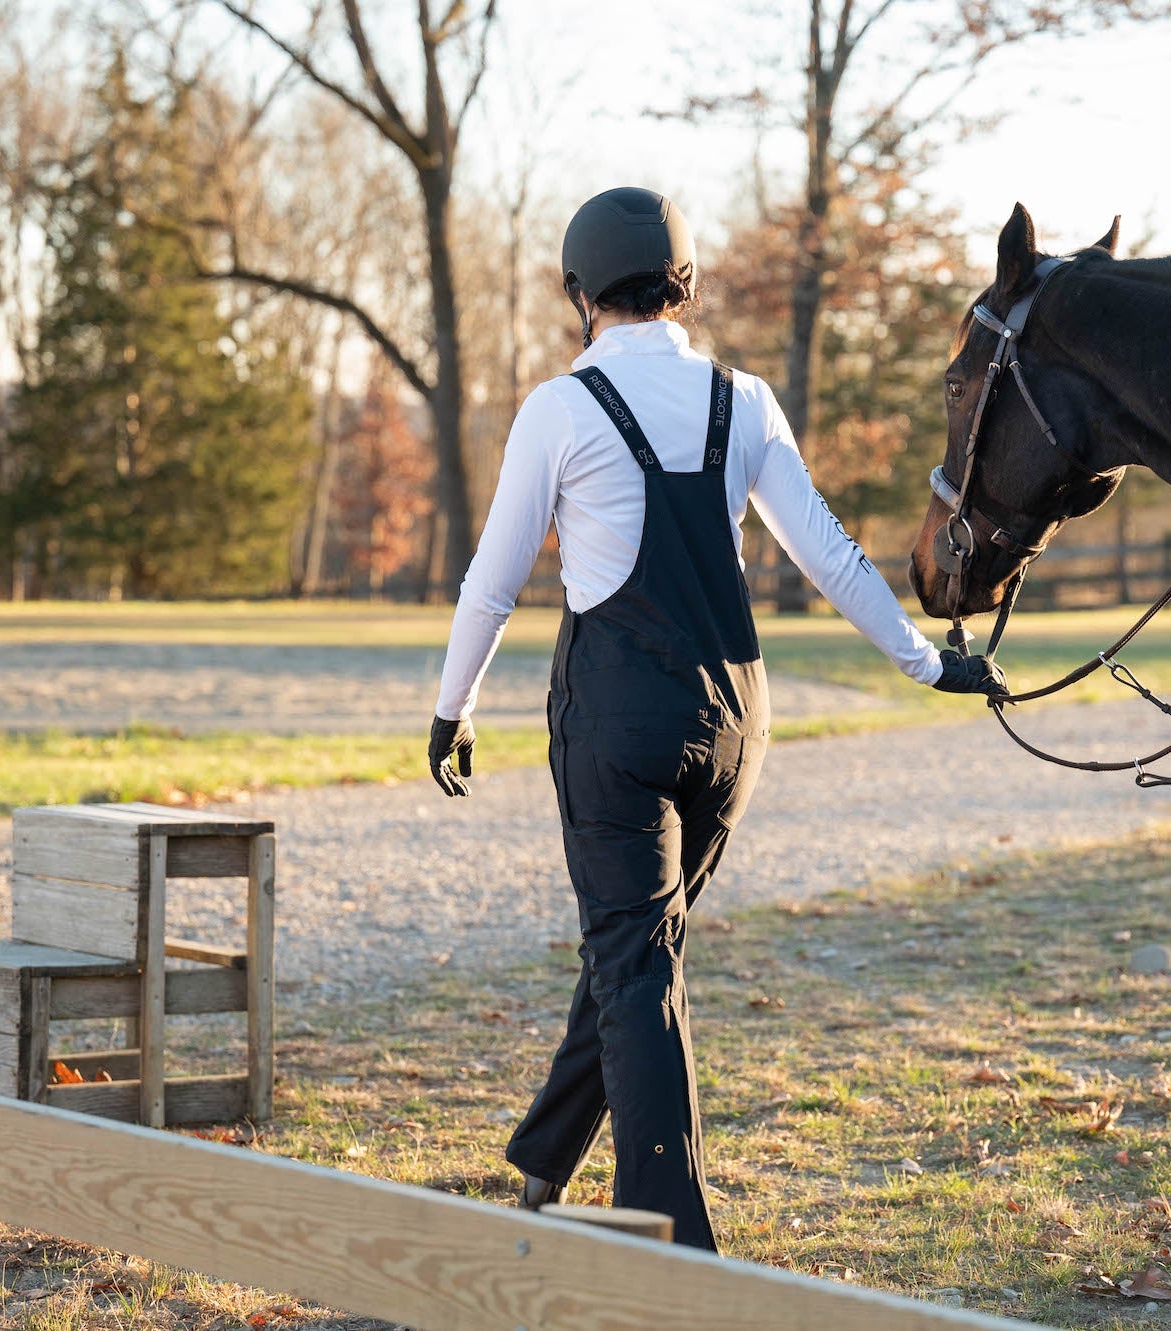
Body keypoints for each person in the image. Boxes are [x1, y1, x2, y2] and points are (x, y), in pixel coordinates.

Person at [427, 185, 1007, 1250]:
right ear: (682, 285)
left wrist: (450, 707)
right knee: (638, 943)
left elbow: (492, 583)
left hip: (618, 722)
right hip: (736, 724)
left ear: (576, 293)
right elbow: (827, 553)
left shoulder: (559, 408)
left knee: (636, 954)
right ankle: (546, 1156)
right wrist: (927, 664)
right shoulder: (743, 401)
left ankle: (672, 1243)